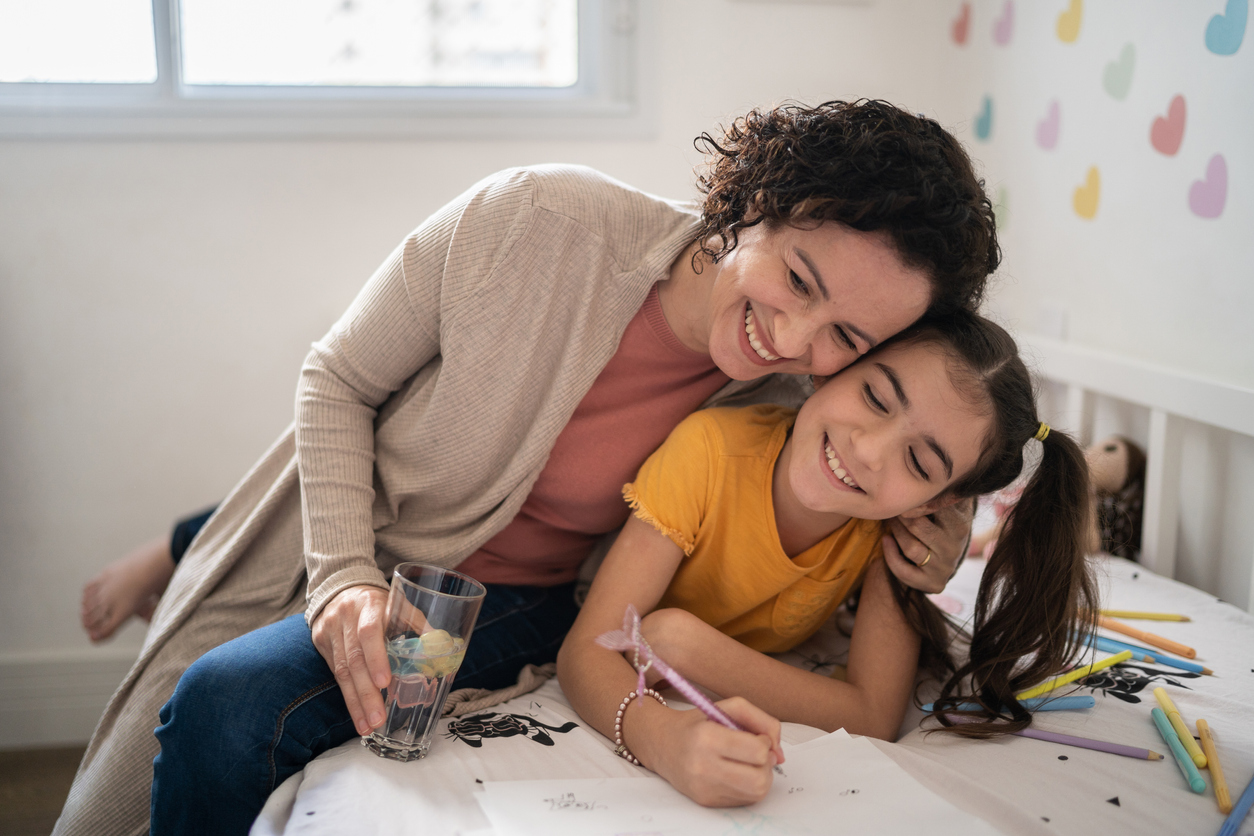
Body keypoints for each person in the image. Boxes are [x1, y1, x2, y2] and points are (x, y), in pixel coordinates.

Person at [56, 100, 999, 836]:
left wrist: (948, 518)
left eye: (847, 337)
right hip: (347, 530)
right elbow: (338, 377)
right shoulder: (537, 220)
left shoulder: (809, 410)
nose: (792, 339)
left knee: (229, 707)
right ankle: (178, 550)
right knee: (104, 804)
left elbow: (935, 429)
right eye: (796, 279)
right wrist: (341, 575)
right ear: (757, 199)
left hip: (500, 598)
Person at [557, 310, 1098, 807]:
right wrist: (661, 738)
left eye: (918, 462)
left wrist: (681, 643)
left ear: (935, 502)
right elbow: (586, 651)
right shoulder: (706, 454)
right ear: (834, 370)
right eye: (876, 398)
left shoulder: (894, 535)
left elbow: (873, 715)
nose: (867, 449)